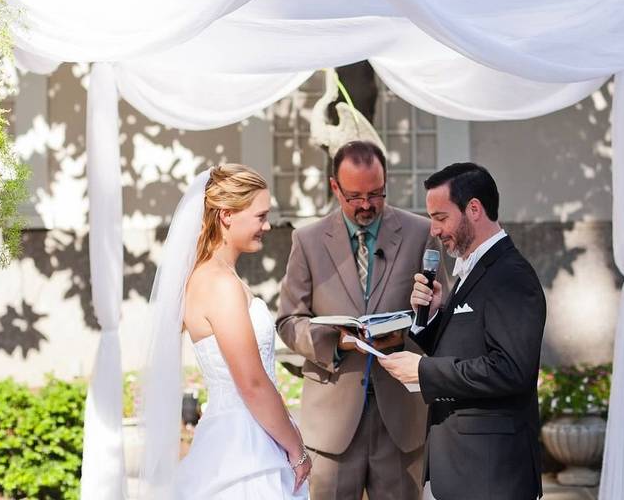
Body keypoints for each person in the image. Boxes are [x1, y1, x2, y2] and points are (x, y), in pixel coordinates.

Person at [277, 140, 441, 500]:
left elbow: (439, 316)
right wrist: (336, 341)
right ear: (334, 187)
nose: (367, 204)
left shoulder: (420, 233)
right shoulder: (307, 240)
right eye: (355, 196)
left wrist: (416, 326)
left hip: (401, 418)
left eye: (376, 194)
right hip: (331, 422)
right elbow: (288, 320)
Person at [140, 164, 310, 499]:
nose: (266, 225)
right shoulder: (219, 285)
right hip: (243, 444)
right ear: (227, 215)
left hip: (246, 431)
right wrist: (297, 450)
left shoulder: (211, 277)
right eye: (260, 216)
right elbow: (252, 383)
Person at [380, 162, 546, 500]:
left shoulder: (511, 275)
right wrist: (431, 317)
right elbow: (468, 347)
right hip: (458, 468)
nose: (435, 230)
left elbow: (512, 370)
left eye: (441, 218)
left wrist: (423, 370)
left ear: (473, 209)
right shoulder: (473, 270)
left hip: (490, 475)